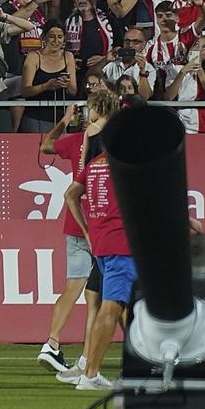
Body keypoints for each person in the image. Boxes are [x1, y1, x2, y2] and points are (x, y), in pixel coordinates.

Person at [61, 95, 129, 391]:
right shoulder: (124, 166)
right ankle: (90, 374)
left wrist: (87, 230)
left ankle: (142, 364)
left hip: (101, 243)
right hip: (121, 244)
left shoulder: (96, 164)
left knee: (119, 305)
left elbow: (70, 195)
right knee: (112, 307)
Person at [38, 97, 106, 376]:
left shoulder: (77, 139)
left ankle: (51, 344)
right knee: (100, 297)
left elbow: (45, 147)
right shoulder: (111, 141)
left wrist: (64, 120)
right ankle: (88, 359)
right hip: (103, 223)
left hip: (76, 223)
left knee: (74, 287)